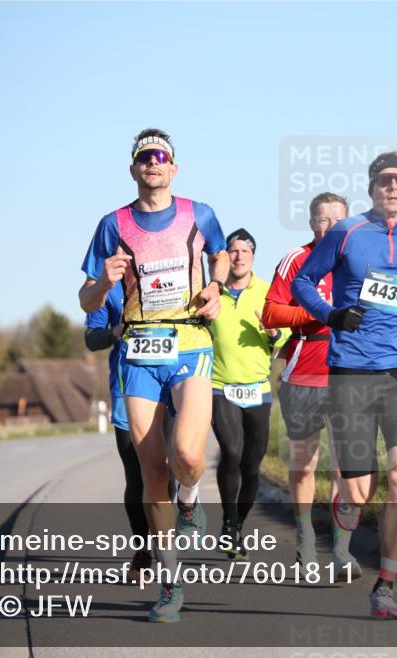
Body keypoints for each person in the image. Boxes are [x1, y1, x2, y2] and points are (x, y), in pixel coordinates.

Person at [290, 152, 397, 619]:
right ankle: (346, 509)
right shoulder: (346, 232)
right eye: (384, 180)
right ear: (371, 187)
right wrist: (330, 315)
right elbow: (303, 282)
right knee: (358, 491)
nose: (392, 187)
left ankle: (385, 587)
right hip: (350, 370)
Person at [79, 128, 229, 623]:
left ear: (173, 167)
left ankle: (191, 500)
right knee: (152, 472)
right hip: (138, 353)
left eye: (161, 156)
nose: (153, 163)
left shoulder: (199, 213)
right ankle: (170, 585)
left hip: (189, 343)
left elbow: (220, 254)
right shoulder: (113, 224)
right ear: (133, 169)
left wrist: (215, 287)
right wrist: (104, 280)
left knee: (188, 455)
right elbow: (86, 299)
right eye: (145, 157)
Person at [262, 192, 362, 580]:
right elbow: (271, 312)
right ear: (311, 224)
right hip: (303, 372)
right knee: (304, 463)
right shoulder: (296, 260)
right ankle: (305, 538)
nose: (331, 227)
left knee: (344, 466)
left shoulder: (362, 262)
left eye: (338, 220)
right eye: (323, 220)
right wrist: (319, 313)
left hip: (348, 372)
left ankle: (342, 551)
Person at [83, 282, 175, 579]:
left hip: (171, 384)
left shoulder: (170, 274)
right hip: (127, 387)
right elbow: (92, 339)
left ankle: (165, 542)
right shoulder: (109, 287)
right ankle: (142, 548)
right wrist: (115, 331)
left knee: (166, 471)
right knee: (136, 474)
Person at [209, 228, 288, 559]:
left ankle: (237, 525)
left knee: (252, 465)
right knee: (231, 450)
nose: (239, 256)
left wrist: (274, 333)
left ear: (253, 256)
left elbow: (286, 334)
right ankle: (228, 523)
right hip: (219, 386)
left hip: (257, 388)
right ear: (224, 258)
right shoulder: (211, 293)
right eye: (233, 251)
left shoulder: (269, 293)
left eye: (245, 251)